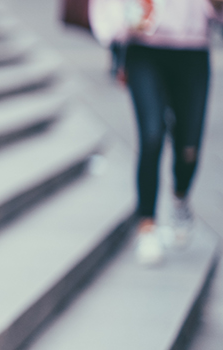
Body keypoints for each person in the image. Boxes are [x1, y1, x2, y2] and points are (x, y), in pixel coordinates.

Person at [91, 0, 216, 265]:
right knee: (151, 134)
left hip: (192, 50)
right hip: (144, 48)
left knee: (189, 147)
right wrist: (121, 23)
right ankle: (147, 225)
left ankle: (180, 199)